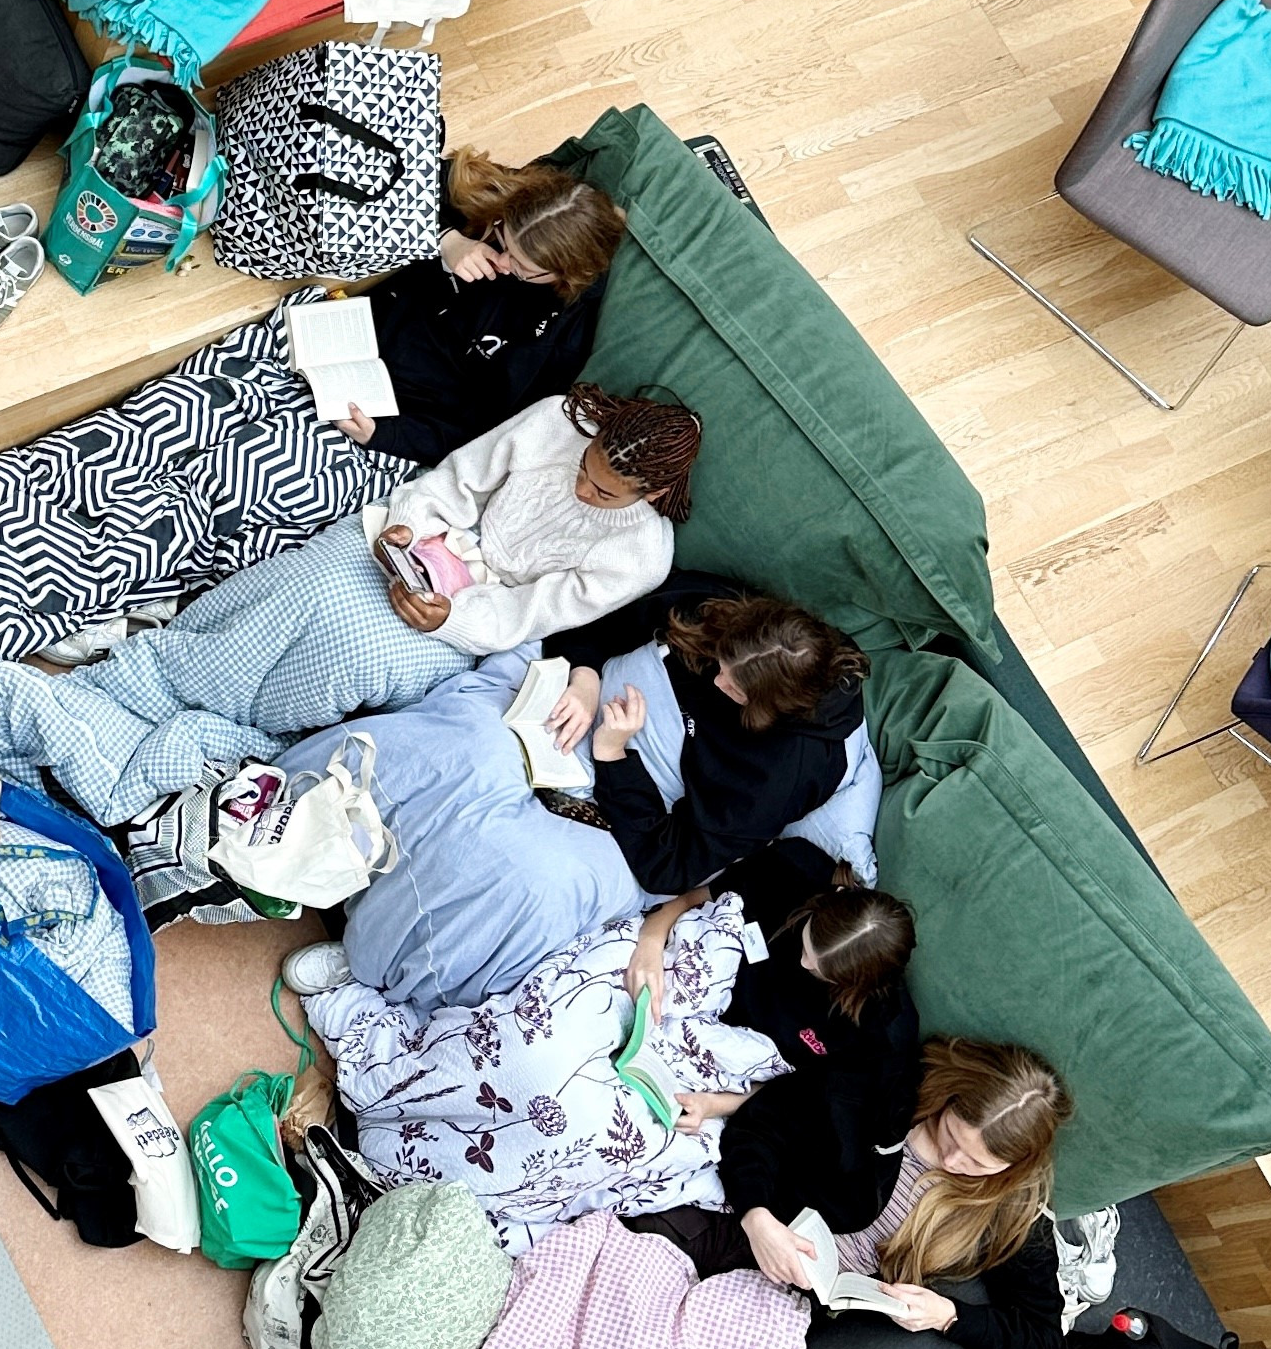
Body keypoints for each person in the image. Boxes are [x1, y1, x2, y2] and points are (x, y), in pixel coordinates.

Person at [618, 849, 922, 1278]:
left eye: (820, 970)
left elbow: (795, 1101)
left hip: (729, 1081)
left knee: (625, 1137)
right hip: (673, 978)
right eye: (808, 941)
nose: (803, 962)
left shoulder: (878, 1034)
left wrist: (715, 1104)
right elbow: (691, 899)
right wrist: (651, 939)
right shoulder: (793, 874)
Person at [543, 577, 870, 896]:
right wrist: (585, 675)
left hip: (615, 780)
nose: (717, 682)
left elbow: (669, 865)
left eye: (735, 688)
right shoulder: (740, 621)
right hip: (573, 685)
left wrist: (612, 755)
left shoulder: (776, 781)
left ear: (768, 706)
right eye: (721, 665)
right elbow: (612, 608)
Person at [777, 1039, 1074, 1349]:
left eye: (978, 1163)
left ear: (1014, 1167)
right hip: (768, 1222)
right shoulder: (902, 1093)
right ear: (950, 1098)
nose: (952, 1158)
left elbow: (1046, 1343)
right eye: (951, 1133)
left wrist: (948, 1315)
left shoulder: (1013, 1212)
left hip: (806, 1300)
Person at [335, 150, 623, 466]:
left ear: (563, 273)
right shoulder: (500, 201)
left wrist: (381, 435)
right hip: (351, 329)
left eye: (520, 264)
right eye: (504, 242)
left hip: (393, 419)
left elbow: (481, 430)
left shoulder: (558, 342)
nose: (501, 261)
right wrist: (447, 239)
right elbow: (384, 179)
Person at [373, 387, 700, 655]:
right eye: (584, 466)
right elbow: (461, 475)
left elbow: (533, 614)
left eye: (603, 493)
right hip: (438, 530)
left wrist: (453, 621)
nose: (581, 489)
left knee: (364, 653)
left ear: (655, 493)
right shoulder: (557, 422)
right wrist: (410, 522)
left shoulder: (642, 557)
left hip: (486, 614)